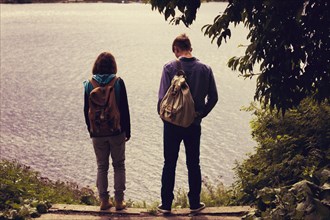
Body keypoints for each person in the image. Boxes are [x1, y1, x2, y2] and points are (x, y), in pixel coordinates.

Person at [157, 34, 218, 213]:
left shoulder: (169, 67)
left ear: (176, 49)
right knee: (193, 163)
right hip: (193, 124)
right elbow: (214, 97)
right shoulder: (205, 69)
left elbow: (162, 100)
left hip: (172, 125)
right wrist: (201, 114)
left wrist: (166, 118)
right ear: (190, 48)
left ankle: (166, 204)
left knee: (169, 163)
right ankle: (194, 204)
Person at [83, 52, 131, 211]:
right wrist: (127, 131)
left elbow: (86, 110)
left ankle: (104, 201)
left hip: (97, 132)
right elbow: (124, 109)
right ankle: (119, 201)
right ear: (113, 66)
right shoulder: (118, 82)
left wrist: (91, 130)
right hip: (116, 131)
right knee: (119, 165)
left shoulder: (88, 84)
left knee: (101, 166)